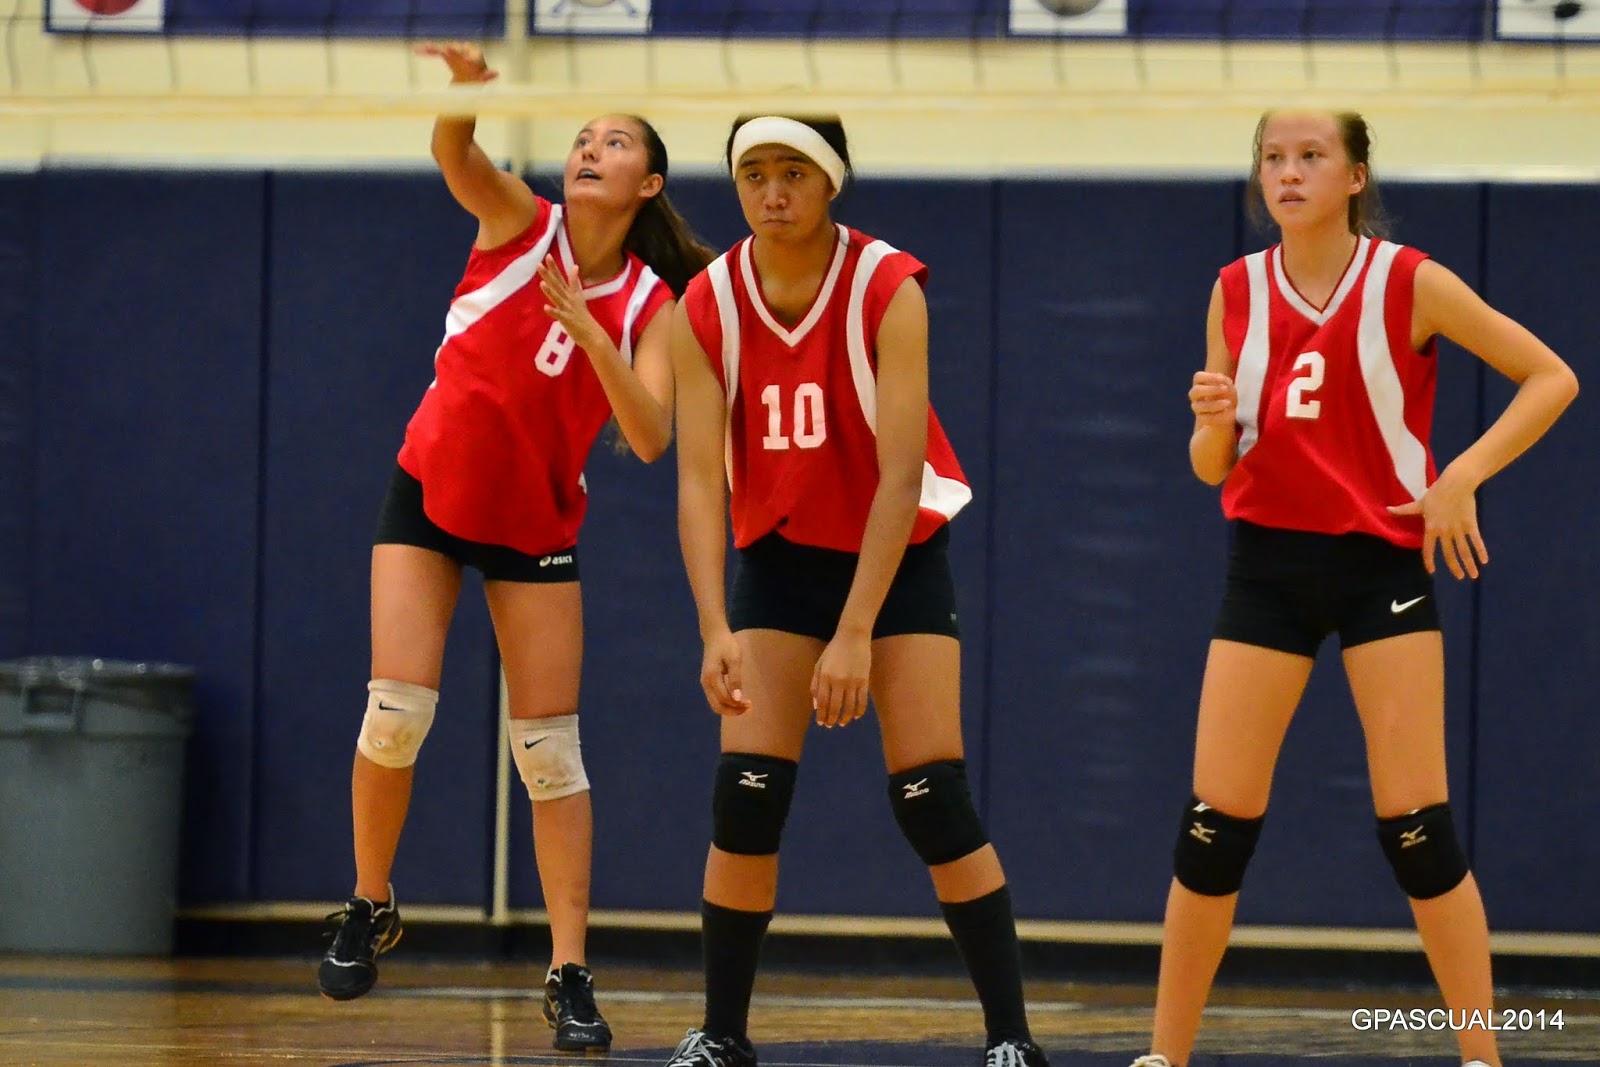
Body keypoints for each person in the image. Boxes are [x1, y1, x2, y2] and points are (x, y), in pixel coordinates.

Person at [1129, 110, 1579, 1067]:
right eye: (1272, 159)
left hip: (1381, 570)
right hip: (1266, 570)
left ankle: (1482, 1056)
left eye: (1310, 157)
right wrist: (1209, 421)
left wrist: (1458, 477)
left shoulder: (1408, 280)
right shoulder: (1234, 289)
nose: (1287, 174)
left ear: (1356, 177)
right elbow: (1214, 464)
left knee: (1417, 828)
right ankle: (1165, 1056)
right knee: (1214, 827)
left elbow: (1550, 377)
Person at [316, 41, 716, 1054]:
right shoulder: (519, 222)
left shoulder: (651, 306)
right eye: (582, 137)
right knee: (396, 710)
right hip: (431, 493)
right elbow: (458, 158)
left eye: (614, 141)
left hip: (535, 524)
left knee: (549, 754)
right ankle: (368, 903)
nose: (590, 148)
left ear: (647, 181)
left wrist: (591, 331)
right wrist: (463, 98)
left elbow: (653, 433)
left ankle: (569, 969)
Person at [667, 112, 1049, 1067]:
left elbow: (899, 471)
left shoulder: (887, 287)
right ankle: (722, 1034)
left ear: (832, 182)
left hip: (894, 552)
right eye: (753, 173)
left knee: (931, 795)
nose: (772, 191)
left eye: (794, 171)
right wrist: (715, 621)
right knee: (746, 796)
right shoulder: (708, 300)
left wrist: (855, 632)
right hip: (781, 558)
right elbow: (696, 479)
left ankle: (1011, 1039)